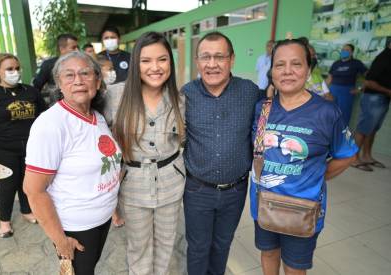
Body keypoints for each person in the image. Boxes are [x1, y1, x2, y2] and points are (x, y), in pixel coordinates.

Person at [250, 39, 358, 275]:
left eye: (296, 64)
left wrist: (316, 176)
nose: (287, 71)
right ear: (272, 71)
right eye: (280, 65)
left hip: (303, 209)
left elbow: (347, 154)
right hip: (265, 203)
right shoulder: (262, 109)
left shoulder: (327, 112)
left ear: (308, 70)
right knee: (268, 253)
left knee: (294, 266)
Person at [23, 51, 121, 275]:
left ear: (97, 80)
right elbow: (34, 191)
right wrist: (60, 241)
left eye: (85, 73)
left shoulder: (98, 116)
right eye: (69, 75)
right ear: (59, 83)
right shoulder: (51, 124)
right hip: (75, 227)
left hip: (101, 218)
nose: (78, 80)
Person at [182, 31, 261, 275]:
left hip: (235, 190)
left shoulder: (249, 91)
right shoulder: (186, 94)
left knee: (222, 244)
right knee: (197, 247)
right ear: (197, 61)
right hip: (197, 189)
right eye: (205, 57)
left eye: (219, 57)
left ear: (232, 60)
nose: (212, 64)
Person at [112, 31, 185, 275]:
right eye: (146, 61)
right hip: (133, 186)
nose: (155, 67)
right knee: (139, 247)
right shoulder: (115, 96)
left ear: (170, 63)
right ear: (136, 64)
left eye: (162, 59)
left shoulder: (180, 99)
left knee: (167, 246)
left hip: (171, 183)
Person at [0, 53, 47, 238]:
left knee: (27, 183)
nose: (15, 72)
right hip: (3, 149)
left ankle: (27, 211)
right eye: (9, 69)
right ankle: (4, 222)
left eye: (17, 68)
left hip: (31, 148)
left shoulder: (31, 91)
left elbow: (44, 119)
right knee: (7, 186)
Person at [352, 40, 391, 171]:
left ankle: (367, 156)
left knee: (372, 129)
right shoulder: (384, 58)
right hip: (373, 98)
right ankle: (354, 158)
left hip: (383, 98)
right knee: (363, 128)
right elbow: (369, 82)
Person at [96, 54, 125, 227]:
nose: (112, 72)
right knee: (110, 177)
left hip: (119, 143)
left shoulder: (116, 90)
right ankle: (114, 213)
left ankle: (116, 209)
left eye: (112, 68)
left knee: (118, 176)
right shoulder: (98, 95)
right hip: (106, 145)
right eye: (109, 69)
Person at [33, 33, 79, 106]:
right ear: (62, 49)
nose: (77, 50)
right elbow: (35, 87)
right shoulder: (48, 65)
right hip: (57, 109)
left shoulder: (81, 64)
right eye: (73, 47)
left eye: (77, 47)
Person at [326, 43, 367, 124]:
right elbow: (329, 78)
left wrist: (360, 89)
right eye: (343, 50)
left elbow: (369, 76)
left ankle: (341, 135)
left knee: (343, 116)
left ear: (352, 52)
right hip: (333, 91)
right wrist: (322, 91)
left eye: (347, 50)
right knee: (329, 114)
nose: (344, 51)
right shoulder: (336, 63)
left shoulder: (356, 63)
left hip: (346, 92)